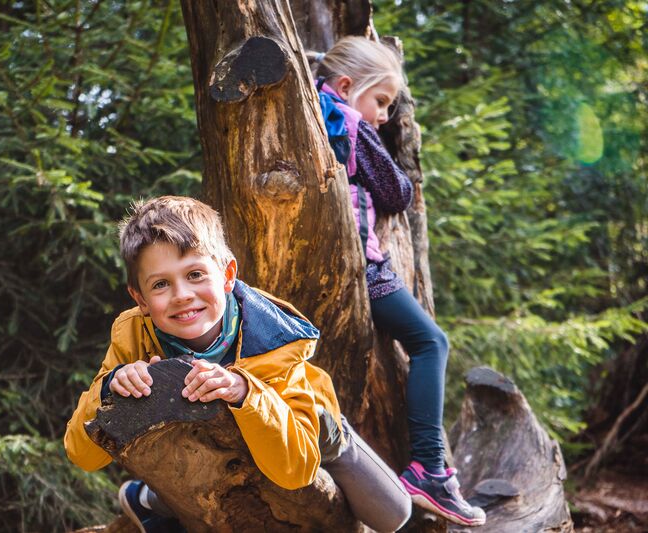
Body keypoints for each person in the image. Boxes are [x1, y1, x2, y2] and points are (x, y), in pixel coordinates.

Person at [64, 196, 412, 533]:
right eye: (160, 284)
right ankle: (149, 499)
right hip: (213, 454)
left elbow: (296, 471)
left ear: (228, 274)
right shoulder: (133, 334)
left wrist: (245, 390)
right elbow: (82, 454)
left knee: (394, 515)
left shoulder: (275, 340)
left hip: (308, 433)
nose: (182, 294)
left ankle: (343, 442)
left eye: (196, 274)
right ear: (139, 298)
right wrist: (112, 387)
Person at [309, 36, 486, 527]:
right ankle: (429, 469)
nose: (384, 116)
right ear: (347, 86)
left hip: (338, 267)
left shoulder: (314, 111)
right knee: (431, 341)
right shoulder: (347, 119)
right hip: (363, 270)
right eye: (381, 100)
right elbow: (398, 190)